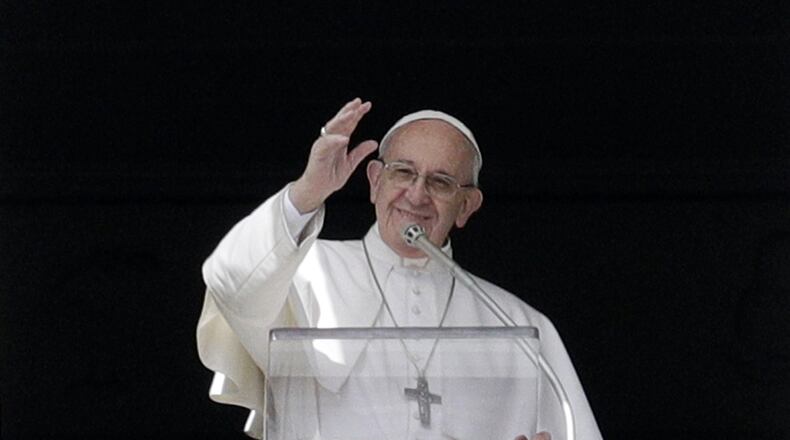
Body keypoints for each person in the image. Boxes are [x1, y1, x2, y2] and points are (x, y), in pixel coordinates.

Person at [197, 98, 603, 440]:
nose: (417, 195)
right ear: (375, 181)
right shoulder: (303, 273)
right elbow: (230, 280)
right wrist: (307, 191)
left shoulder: (517, 325)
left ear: (466, 206)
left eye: (440, 182)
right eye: (403, 172)